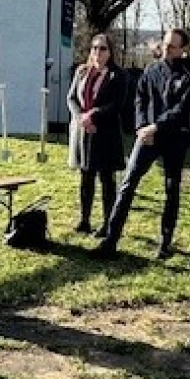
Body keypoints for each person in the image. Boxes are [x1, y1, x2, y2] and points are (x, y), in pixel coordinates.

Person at [91, 28, 190, 260]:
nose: (166, 49)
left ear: (182, 49)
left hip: (174, 137)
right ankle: (110, 240)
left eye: (172, 47)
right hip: (146, 136)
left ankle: (165, 242)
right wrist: (141, 127)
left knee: (172, 188)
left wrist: (156, 127)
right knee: (127, 184)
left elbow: (180, 110)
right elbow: (140, 99)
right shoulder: (151, 70)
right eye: (165, 44)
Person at [66, 33, 127, 236]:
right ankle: (84, 220)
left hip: (105, 133)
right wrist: (81, 117)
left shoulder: (117, 75)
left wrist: (94, 115)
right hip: (84, 132)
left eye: (102, 49)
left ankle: (108, 222)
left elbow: (116, 104)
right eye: (94, 48)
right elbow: (72, 98)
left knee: (106, 179)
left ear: (110, 52)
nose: (97, 53)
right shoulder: (82, 72)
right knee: (86, 176)